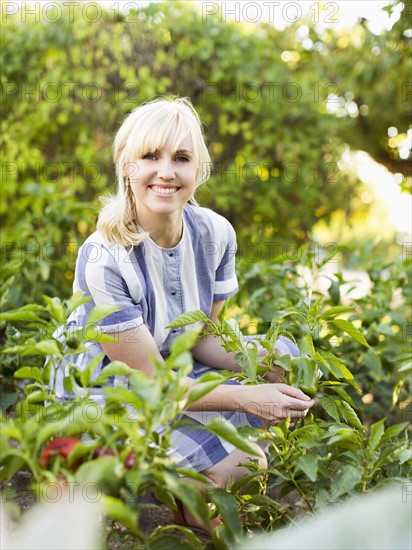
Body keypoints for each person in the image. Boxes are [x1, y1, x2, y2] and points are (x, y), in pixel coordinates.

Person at [61, 96, 315, 532]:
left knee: (287, 357)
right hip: (111, 390)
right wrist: (246, 397)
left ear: (198, 170)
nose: (166, 172)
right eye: (150, 157)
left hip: (173, 368)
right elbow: (153, 384)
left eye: (181, 158)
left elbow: (202, 337)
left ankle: (185, 480)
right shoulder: (104, 256)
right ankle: (137, 474)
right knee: (242, 462)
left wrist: (272, 366)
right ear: (127, 168)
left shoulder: (215, 233)